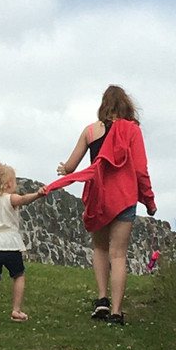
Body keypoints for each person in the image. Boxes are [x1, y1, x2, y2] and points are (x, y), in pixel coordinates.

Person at [46, 84, 156, 325]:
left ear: (103, 106)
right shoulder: (133, 132)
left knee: (100, 249)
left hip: (99, 196)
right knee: (118, 255)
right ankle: (117, 312)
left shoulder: (90, 131)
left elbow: (72, 166)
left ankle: (102, 299)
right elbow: (140, 170)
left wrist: (64, 169)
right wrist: (149, 200)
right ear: (126, 106)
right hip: (124, 198)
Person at [0, 162, 46, 326]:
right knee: (18, 275)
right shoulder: (10, 199)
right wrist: (38, 195)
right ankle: (16, 310)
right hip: (10, 244)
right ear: (9, 184)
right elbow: (24, 200)